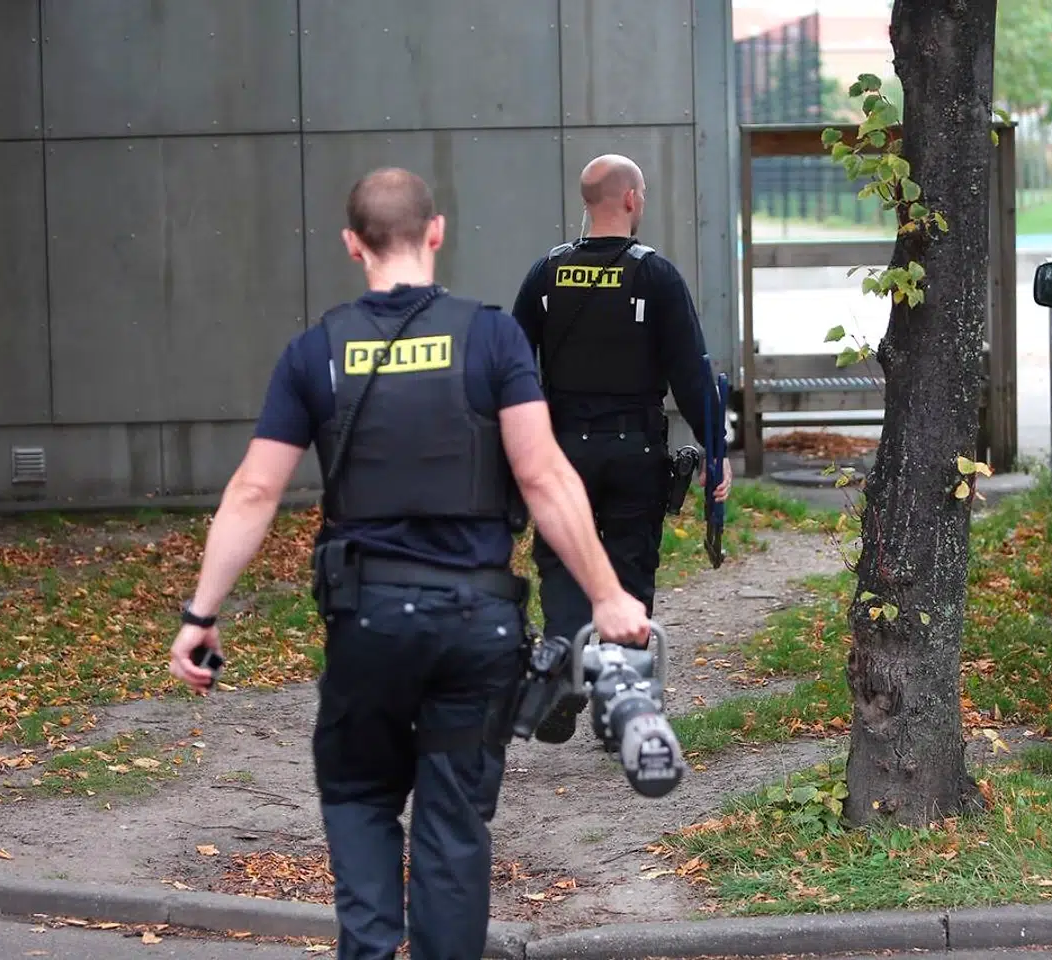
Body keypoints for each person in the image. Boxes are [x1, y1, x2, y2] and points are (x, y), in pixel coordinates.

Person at [166, 167, 650, 960]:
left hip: (368, 624)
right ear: (437, 232)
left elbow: (255, 489)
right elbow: (542, 475)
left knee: (358, 798)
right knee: (454, 824)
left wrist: (201, 616)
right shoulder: (492, 339)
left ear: (353, 245)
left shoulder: (315, 353)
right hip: (477, 626)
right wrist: (606, 595)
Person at [510, 154, 730, 742]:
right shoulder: (655, 275)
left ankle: (559, 669)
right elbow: (691, 372)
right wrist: (715, 451)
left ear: (589, 201)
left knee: (560, 560)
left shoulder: (545, 273)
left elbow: (511, 367)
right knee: (630, 568)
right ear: (631, 199)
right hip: (634, 451)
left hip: (562, 453)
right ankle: (619, 711)